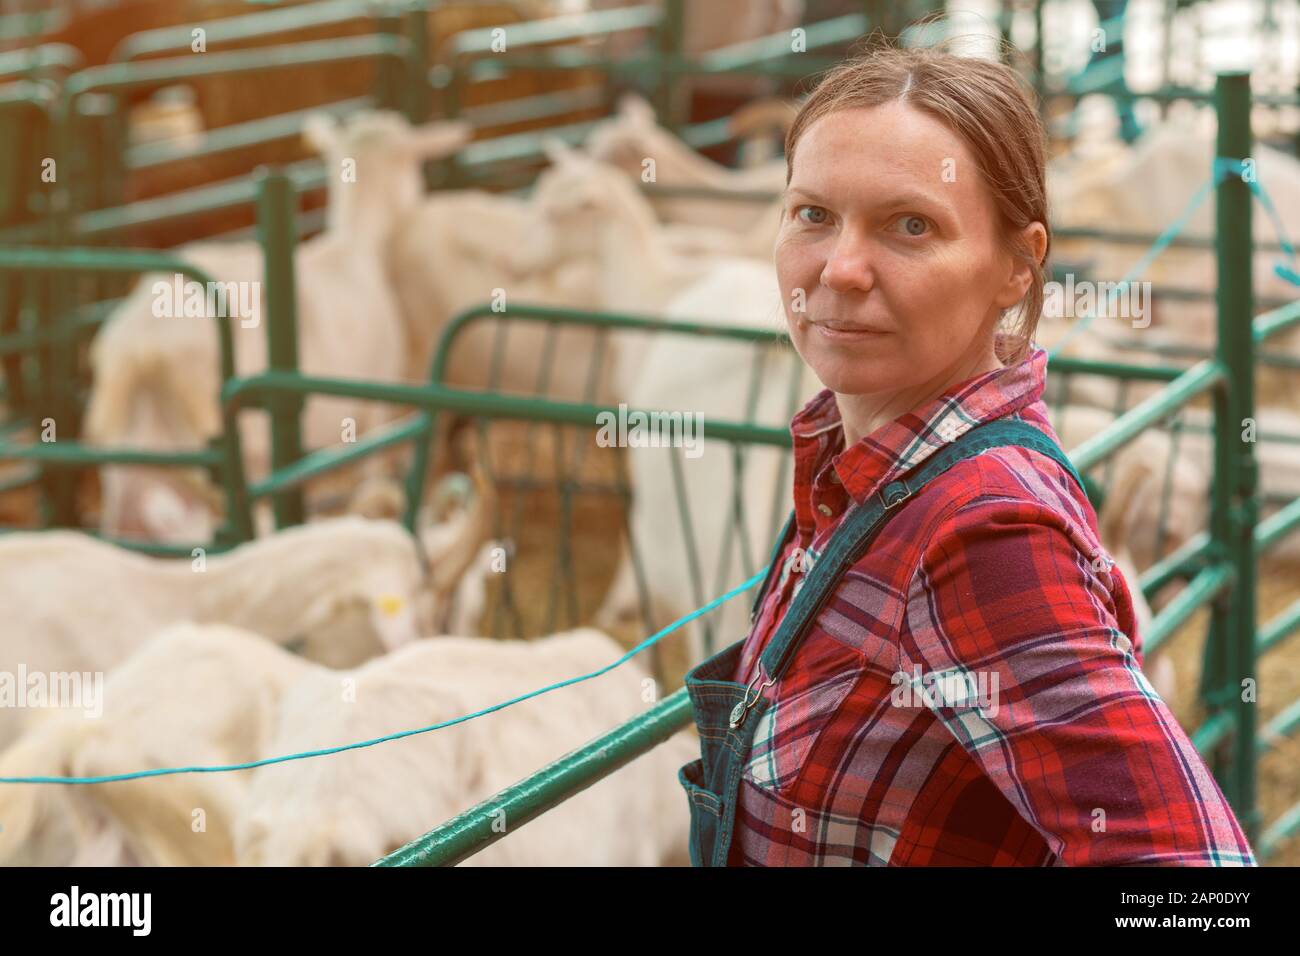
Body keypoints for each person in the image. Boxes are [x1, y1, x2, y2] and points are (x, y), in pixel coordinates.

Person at [677, 44, 1255, 867]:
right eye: (813, 215)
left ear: (1016, 268)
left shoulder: (981, 530)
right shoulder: (862, 473)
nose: (840, 268)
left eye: (910, 226)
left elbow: (1193, 872)